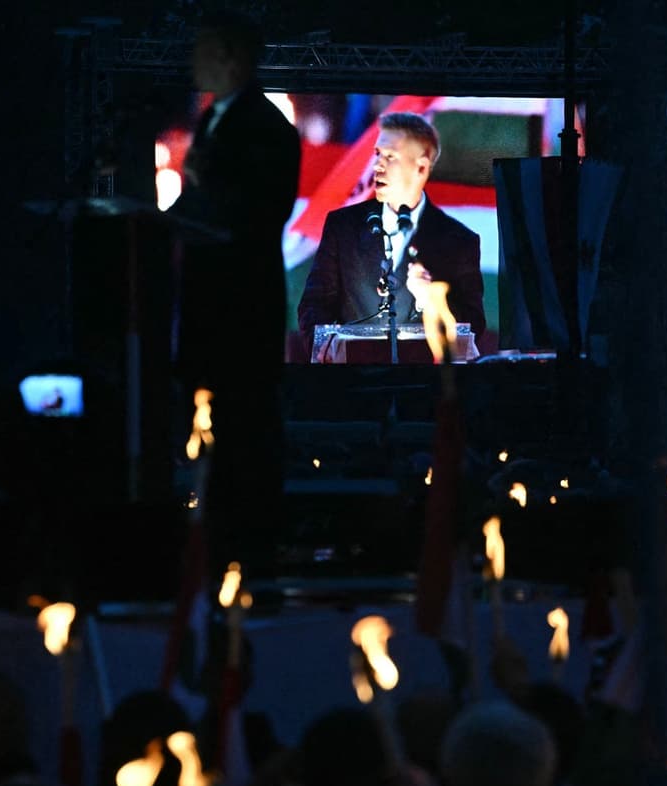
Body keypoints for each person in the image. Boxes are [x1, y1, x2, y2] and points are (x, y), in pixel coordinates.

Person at [169, 10, 301, 575]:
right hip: (205, 306)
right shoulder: (214, 120)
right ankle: (212, 542)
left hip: (241, 312)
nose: (193, 62)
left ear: (233, 59)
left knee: (246, 432)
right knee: (214, 434)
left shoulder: (266, 128)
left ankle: (249, 554)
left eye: (204, 50)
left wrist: (204, 183)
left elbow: (258, 212)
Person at [296, 112, 486, 346]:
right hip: (354, 378)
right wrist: (328, 347)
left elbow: (473, 328)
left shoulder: (459, 242)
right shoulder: (343, 226)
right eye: (377, 154)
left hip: (426, 380)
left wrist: (431, 301)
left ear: (421, 167)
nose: (377, 165)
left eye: (390, 156)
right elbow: (313, 306)